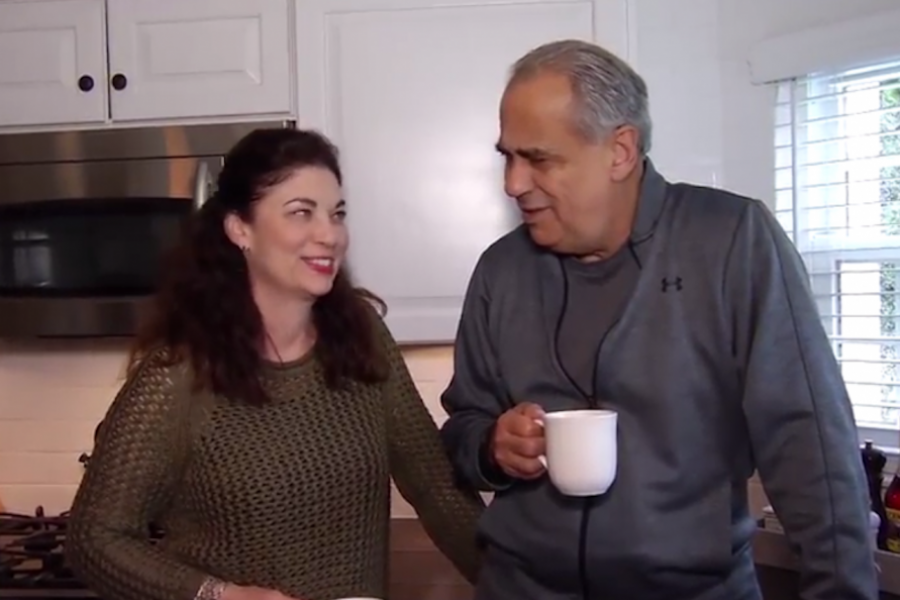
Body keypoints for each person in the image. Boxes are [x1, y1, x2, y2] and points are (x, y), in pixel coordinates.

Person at [439, 39, 878, 600]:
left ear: (620, 151)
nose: (513, 183)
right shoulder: (500, 271)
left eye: (539, 159)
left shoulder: (731, 242)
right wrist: (491, 447)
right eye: (508, 157)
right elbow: (462, 428)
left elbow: (809, 444)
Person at [66, 127, 485, 600]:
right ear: (239, 229)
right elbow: (93, 539)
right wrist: (221, 595)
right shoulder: (181, 372)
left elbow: (436, 487)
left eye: (336, 213)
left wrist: (519, 582)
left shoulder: (362, 338)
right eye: (301, 212)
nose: (329, 235)